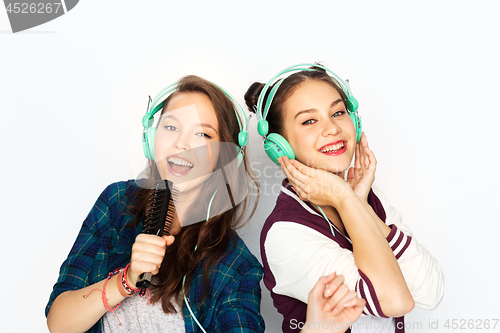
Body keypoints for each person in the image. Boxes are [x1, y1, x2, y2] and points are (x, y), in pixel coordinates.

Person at [46, 75, 265, 333]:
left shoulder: (237, 264)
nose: (181, 144)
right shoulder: (117, 203)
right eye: (171, 127)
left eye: (202, 134)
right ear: (151, 137)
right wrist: (125, 281)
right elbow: (59, 323)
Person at [244, 63, 444, 333]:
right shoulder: (285, 232)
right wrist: (348, 201)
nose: (333, 128)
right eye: (309, 121)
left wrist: (358, 204)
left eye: (338, 112)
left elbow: (431, 291)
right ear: (279, 145)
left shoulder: (366, 199)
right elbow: (394, 301)